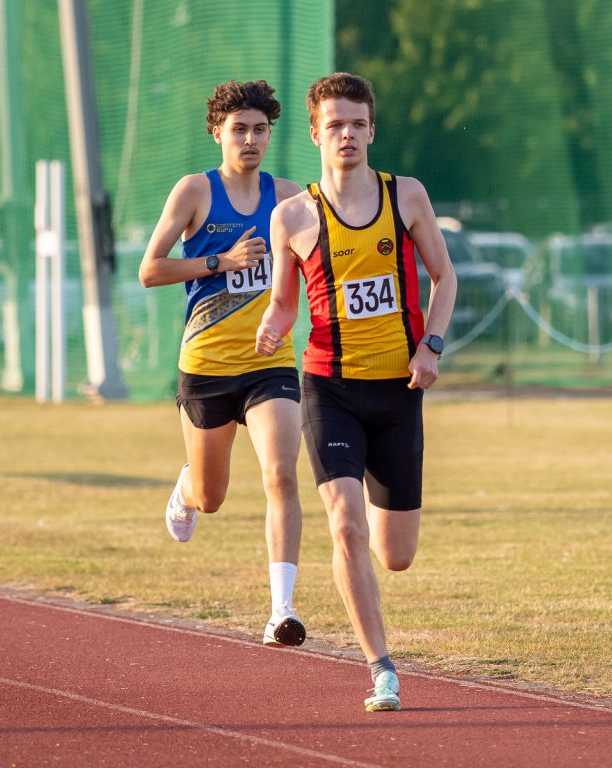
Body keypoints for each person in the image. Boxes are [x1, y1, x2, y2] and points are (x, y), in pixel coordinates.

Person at [255, 72, 457, 712]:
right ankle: (382, 669)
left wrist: (431, 347)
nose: (347, 134)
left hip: (398, 390)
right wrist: (271, 324)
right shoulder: (292, 215)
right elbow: (285, 303)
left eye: (358, 124)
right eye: (335, 124)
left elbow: (445, 278)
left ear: (372, 131)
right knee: (344, 524)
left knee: (394, 555)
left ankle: (367, 551)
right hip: (329, 389)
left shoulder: (407, 196)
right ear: (315, 134)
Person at [138, 80, 306, 648]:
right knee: (212, 497)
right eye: (239, 130)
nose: (250, 139)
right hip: (207, 363)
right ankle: (186, 487)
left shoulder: (289, 197)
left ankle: (282, 611)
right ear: (218, 133)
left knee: (281, 473)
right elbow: (150, 270)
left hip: (270, 361)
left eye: (260, 130)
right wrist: (220, 261)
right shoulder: (195, 191)